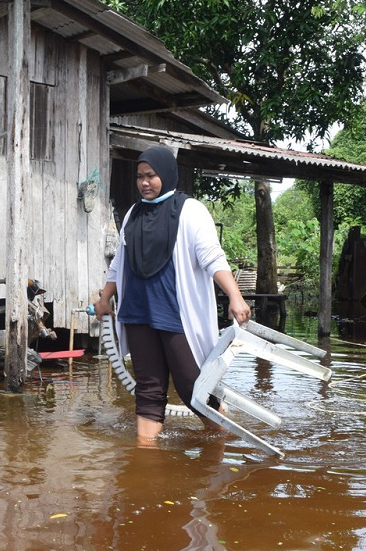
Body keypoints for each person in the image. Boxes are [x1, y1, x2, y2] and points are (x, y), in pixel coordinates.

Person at [93, 146, 251, 441]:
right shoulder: (134, 213)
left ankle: (224, 440)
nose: (144, 183)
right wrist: (105, 298)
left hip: (176, 314)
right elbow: (119, 261)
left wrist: (235, 295)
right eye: (140, 177)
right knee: (148, 388)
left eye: (151, 176)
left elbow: (212, 257)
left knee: (192, 385)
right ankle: (147, 454)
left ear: (165, 174)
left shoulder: (190, 210)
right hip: (138, 311)